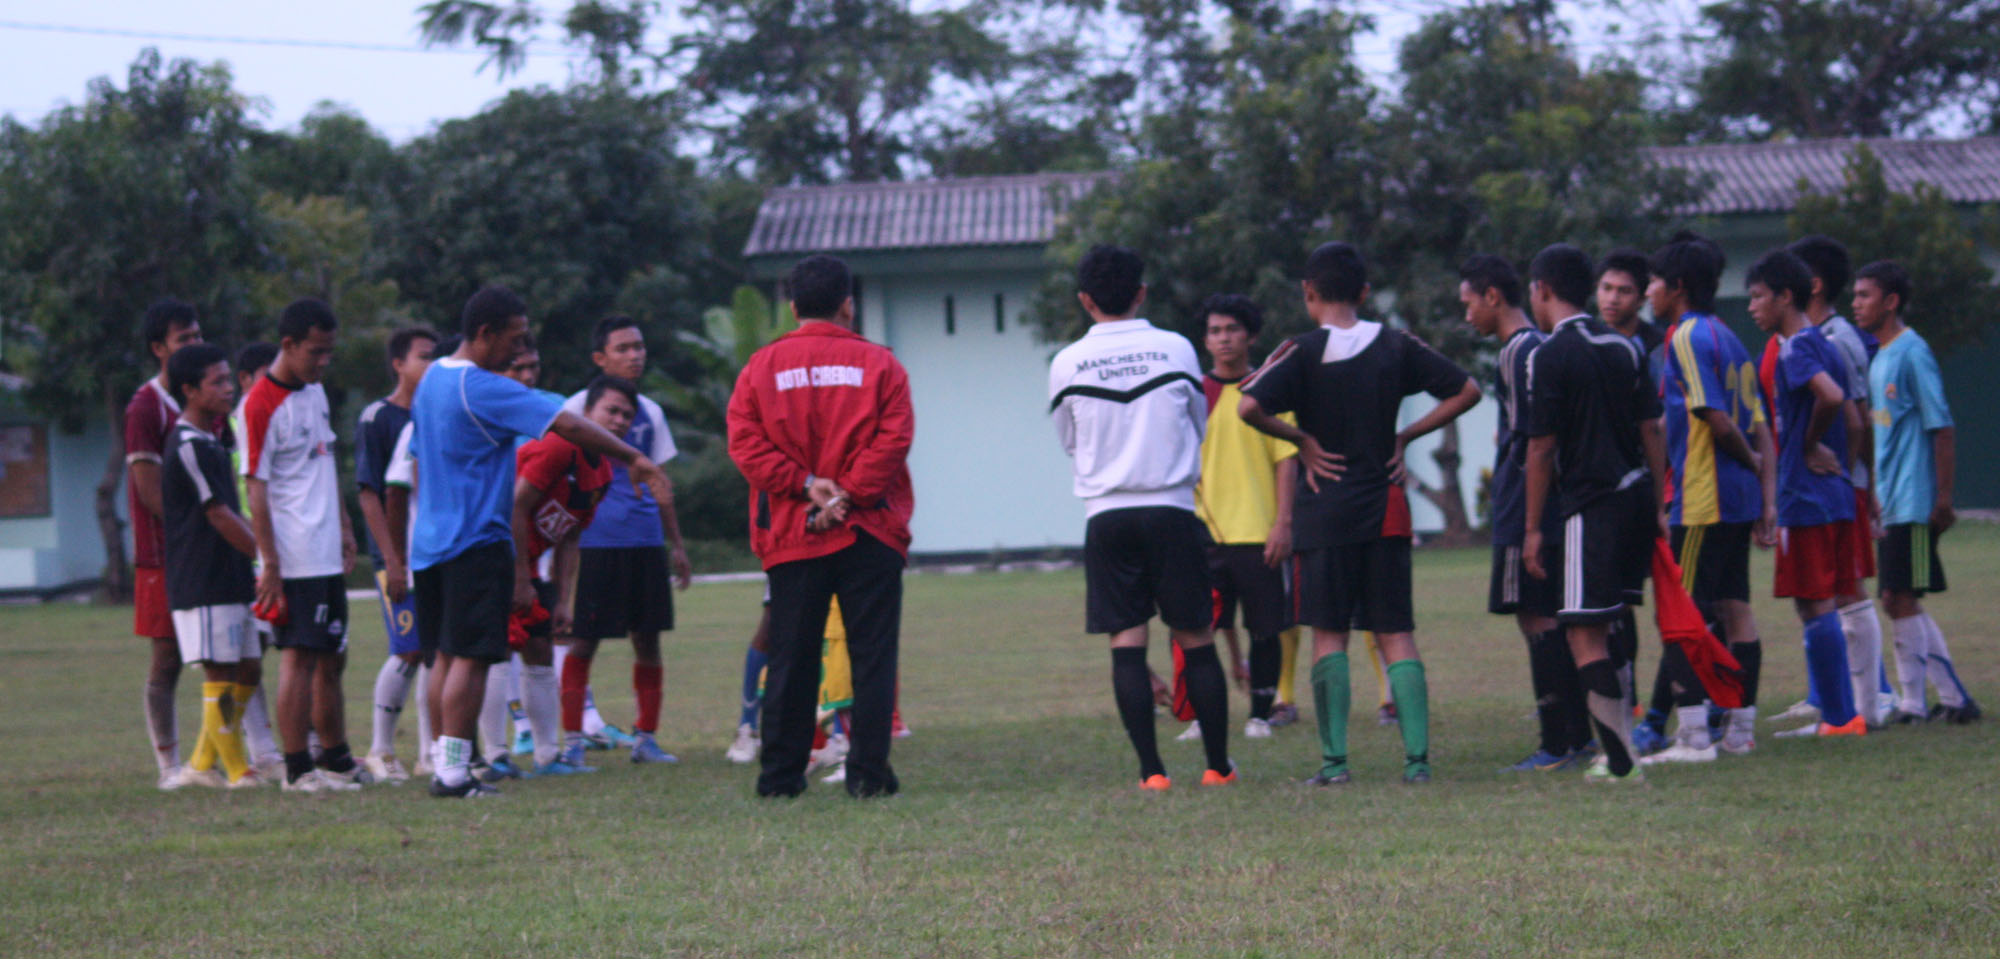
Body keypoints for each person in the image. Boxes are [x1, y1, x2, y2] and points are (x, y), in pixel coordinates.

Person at [410, 286, 670, 798]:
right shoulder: (479, 386)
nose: (520, 349)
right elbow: (569, 423)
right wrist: (633, 458)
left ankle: (446, 763)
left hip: (431, 541)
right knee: (471, 656)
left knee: (444, 654)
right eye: (515, 338)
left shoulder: (432, 379)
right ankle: (454, 773)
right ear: (485, 335)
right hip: (474, 538)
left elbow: (421, 457)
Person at [1240, 241, 1480, 785]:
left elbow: (1248, 404)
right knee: (1396, 632)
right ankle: (1417, 762)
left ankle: (1334, 764)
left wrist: (1301, 439)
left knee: (1330, 634)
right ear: (1365, 292)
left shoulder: (1300, 350)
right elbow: (1467, 390)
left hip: (1324, 511)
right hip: (1386, 507)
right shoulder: (1396, 344)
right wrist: (1407, 434)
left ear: (1308, 293)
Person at [729, 253, 914, 798]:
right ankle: (868, 776)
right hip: (870, 529)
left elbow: (745, 444)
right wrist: (850, 493)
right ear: (848, 304)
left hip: (793, 531)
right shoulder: (883, 365)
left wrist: (808, 484)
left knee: (791, 656)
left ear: (792, 306)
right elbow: (895, 439)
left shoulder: (759, 368)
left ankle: (781, 779)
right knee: (872, 658)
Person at [1043, 245, 1226, 790]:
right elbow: (1200, 420)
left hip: (1107, 515)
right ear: (1141, 293)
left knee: (1127, 642)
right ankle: (1217, 767)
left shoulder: (1066, 362)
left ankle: (1152, 773)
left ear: (1084, 300)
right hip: (1171, 508)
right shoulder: (1176, 349)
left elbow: (1068, 441)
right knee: (1195, 637)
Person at [1519, 243, 1667, 785]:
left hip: (1589, 504)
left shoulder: (1548, 354)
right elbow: (1652, 428)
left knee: (1583, 633)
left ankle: (1621, 763)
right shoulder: (1625, 347)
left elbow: (1541, 449)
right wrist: (1659, 502)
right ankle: (1622, 749)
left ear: (1542, 290)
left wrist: (1533, 528)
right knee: (1611, 623)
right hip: (1633, 496)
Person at [1643, 233, 1777, 764]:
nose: (1649, 292)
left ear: (1676, 287)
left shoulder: (1685, 336)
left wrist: (1748, 462)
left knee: (1681, 612)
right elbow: (1764, 425)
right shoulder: (1732, 337)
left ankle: (1695, 737)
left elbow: (1714, 416)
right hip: (1738, 500)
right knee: (1736, 608)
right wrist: (1764, 498)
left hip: (1703, 499)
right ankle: (1740, 732)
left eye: (1653, 281)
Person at [1460, 254, 1587, 772]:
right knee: (1553, 617)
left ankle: (1557, 743)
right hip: (1540, 504)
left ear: (1493, 296)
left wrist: (1529, 521)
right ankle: (1577, 736)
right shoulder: (1537, 349)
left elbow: (1537, 442)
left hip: (1523, 506)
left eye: (1468, 304)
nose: (1467, 316)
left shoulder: (1519, 351)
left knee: (1537, 618)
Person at [1743, 249, 1869, 739]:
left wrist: (1813, 445)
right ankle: (1842, 714)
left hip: (1805, 497)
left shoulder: (1795, 348)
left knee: (1812, 603)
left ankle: (1839, 718)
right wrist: (1840, 469)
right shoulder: (1826, 344)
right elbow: (1855, 419)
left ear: (1785, 297)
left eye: (1757, 297)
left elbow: (1833, 400)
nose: (1752, 307)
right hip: (1834, 496)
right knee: (1827, 601)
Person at [242, 298, 364, 793]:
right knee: (298, 657)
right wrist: (269, 562)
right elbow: (256, 488)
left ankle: (335, 760)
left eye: (329, 353)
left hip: (325, 551)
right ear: (288, 345)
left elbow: (325, 463)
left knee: (332, 656)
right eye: (316, 352)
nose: (323, 362)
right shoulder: (258, 405)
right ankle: (297, 770)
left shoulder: (314, 393)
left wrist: (346, 527)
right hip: (293, 558)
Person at [1851, 260, 1980, 725]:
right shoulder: (1880, 356)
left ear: (1891, 301)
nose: (1857, 303)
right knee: (1895, 597)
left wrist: (1942, 499)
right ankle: (1934, 701)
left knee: (1899, 597)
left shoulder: (1912, 352)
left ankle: (1937, 700)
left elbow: (1941, 427)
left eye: (1865, 295)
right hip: (1892, 499)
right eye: (1855, 295)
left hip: (1917, 499)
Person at [1771, 234, 1891, 733]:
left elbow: (1853, 413)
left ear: (1805, 286)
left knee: (1837, 593)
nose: (1757, 302)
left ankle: (1864, 702)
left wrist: (1824, 457)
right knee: (1842, 592)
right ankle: (1848, 704)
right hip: (1839, 483)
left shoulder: (1822, 341)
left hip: (1826, 486)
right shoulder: (1820, 338)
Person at [560, 316, 692, 764]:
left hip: (644, 540)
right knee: (583, 641)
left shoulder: (650, 411)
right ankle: (573, 744)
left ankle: (646, 739)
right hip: (594, 542)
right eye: (623, 348)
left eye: (640, 346)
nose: (635, 355)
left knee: (648, 639)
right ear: (600, 357)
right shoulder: (573, 409)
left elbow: (659, 479)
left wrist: (675, 543)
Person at [1190, 293, 1297, 741]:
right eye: (1215, 331)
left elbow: (1286, 458)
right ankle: (1200, 714)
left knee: (1265, 628)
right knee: (1198, 629)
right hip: (1204, 532)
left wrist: (1283, 522)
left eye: (1232, 329)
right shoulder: (1193, 392)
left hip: (1258, 530)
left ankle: (1260, 714)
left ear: (1250, 335)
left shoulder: (1269, 390)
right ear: (1205, 339)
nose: (1224, 339)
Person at [159, 343, 264, 789]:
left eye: (228, 379)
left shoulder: (214, 441)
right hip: (202, 580)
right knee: (219, 670)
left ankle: (201, 765)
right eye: (217, 382)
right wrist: (266, 557)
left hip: (232, 576)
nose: (228, 388)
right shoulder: (186, 445)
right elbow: (219, 513)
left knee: (249, 668)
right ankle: (239, 770)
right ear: (189, 390)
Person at [514, 376, 621, 775]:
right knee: (483, 656)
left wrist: (561, 599)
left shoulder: (603, 473)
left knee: (540, 649)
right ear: (585, 414)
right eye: (610, 411)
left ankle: (546, 756)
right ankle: (484, 757)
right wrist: (519, 577)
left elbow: (570, 536)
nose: (619, 421)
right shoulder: (559, 446)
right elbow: (515, 505)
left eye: (627, 414)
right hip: (494, 557)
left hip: (530, 564)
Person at [355, 326, 438, 783]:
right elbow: (371, 493)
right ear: (398, 364)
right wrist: (392, 560)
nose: (430, 365)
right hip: (398, 557)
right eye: (422, 357)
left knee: (432, 652)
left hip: (432, 554)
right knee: (407, 651)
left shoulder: (433, 413)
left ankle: (429, 752)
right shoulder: (377, 418)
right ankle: (380, 748)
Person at [128, 299, 206, 788]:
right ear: (159, 349)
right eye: (184, 340)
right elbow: (148, 488)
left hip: (208, 544)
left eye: (199, 336)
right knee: (168, 658)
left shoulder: (207, 394)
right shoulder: (145, 406)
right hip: (164, 554)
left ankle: (247, 755)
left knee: (231, 652)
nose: (195, 346)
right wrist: (191, 532)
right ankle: (168, 766)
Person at [226, 341, 285, 776]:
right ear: (246, 380)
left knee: (284, 645)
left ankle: (309, 740)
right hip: (250, 552)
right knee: (251, 650)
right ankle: (258, 745)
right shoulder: (233, 426)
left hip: (282, 548)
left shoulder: (278, 416)